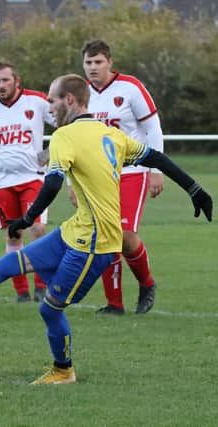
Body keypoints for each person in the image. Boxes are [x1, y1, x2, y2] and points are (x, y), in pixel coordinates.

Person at [0, 74, 212, 384]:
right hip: (74, 230)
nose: (49, 107)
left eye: (52, 99)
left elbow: (52, 181)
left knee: (51, 310)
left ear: (71, 101)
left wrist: (28, 218)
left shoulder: (66, 136)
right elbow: (155, 156)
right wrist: (194, 188)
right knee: (11, 263)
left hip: (95, 243)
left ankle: (63, 370)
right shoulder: (111, 135)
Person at [81, 39, 165, 315]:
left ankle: (147, 283)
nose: (93, 67)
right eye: (88, 62)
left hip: (133, 170)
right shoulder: (81, 94)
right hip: (98, 176)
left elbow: (153, 127)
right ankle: (114, 304)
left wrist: (157, 170)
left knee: (126, 234)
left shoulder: (130, 88)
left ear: (109, 62)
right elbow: (75, 139)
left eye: (98, 62)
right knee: (106, 236)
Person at [0, 59, 55, 303]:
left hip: (33, 178)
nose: (1, 85)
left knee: (38, 229)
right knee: (13, 234)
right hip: (2, 181)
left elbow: (66, 123)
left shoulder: (36, 101)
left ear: (16, 80)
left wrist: (51, 152)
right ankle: (22, 292)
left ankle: (41, 286)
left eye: (6, 79)